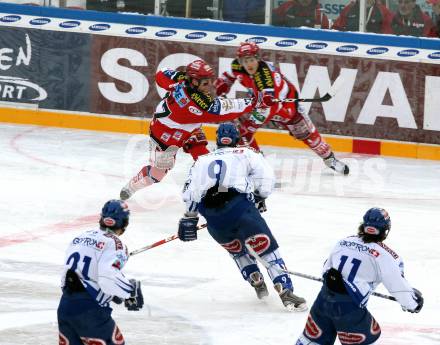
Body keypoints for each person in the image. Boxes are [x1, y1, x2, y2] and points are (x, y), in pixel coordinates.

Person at [177, 122, 308, 312]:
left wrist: (189, 218)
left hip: (213, 218)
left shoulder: (201, 161)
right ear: (237, 139)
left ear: (218, 139)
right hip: (241, 209)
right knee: (266, 248)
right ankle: (285, 290)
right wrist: (260, 197)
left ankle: (255, 279)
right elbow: (266, 179)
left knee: (238, 251)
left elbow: (190, 194)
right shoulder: (246, 153)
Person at [120, 59, 266, 200]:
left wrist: (180, 76)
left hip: (189, 129)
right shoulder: (196, 104)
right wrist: (255, 101)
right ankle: (132, 186)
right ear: (194, 81)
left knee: (205, 159)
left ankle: (217, 193)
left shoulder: (183, 81)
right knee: (156, 175)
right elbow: (225, 109)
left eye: (210, 80)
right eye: (205, 82)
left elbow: (161, 75)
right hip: (166, 136)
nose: (209, 85)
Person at [214, 42, 349, 175]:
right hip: (262, 103)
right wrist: (222, 84)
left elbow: (270, 108)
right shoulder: (237, 66)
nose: (248, 64)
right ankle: (257, 162)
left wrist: (251, 126)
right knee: (241, 129)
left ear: (258, 58)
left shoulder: (265, 78)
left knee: (307, 135)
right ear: (240, 61)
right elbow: (229, 75)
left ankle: (330, 159)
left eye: (251, 60)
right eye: (245, 61)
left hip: (286, 108)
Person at [295, 207, 424, 345]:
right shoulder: (386, 256)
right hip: (349, 310)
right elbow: (398, 286)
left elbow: (326, 270)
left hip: (323, 301)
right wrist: (413, 303)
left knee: (310, 341)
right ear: (385, 229)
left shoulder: (343, 242)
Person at [57, 200, 144, 345]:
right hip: (91, 313)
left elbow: (71, 276)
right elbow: (107, 278)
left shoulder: (80, 237)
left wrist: (111, 293)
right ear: (125, 223)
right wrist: (130, 291)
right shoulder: (116, 244)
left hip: (65, 306)